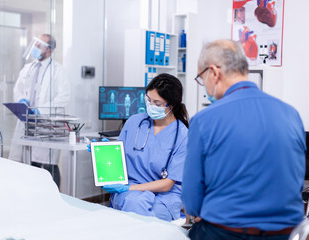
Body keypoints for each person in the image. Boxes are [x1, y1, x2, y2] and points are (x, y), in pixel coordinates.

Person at [181, 39, 306, 240]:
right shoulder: (291, 114)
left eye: (201, 78)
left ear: (213, 72)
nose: (204, 85)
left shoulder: (205, 120)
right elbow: (295, 182)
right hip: (287, 233)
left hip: (226, 232)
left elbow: (192, 201)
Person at [100, 73, 189, 221]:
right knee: (135, 206)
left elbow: (167, 184)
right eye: (148, 100)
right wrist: (104, 152)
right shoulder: (134, 122)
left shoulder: (182, 135)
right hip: (131, 190)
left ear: (171, 105)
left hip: (163, 196)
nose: (151, 106)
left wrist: (128, 189)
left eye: (157, 103)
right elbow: (119, 159)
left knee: (135, 210)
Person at [9, 34, 70, 188]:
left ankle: (56, 198)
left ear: (49, 50)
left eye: (39, 46)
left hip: (45, 123)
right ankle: (34, 197)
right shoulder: (28, 68)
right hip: (27, 121)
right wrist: (21, 100)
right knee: (29, 163)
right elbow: (18, 90)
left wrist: (41, 110)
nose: (35, 48)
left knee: (49, 165)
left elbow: (64, 97)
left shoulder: (58, 71)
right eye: (34, 45)